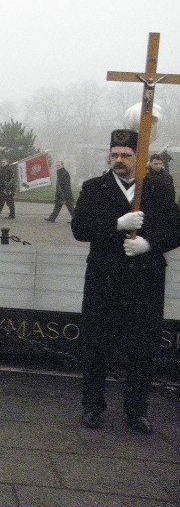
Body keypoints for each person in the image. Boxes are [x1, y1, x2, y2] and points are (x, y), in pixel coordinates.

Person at [71, 129, 180, 434]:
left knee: (142, 349)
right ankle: (93, 406)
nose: (119, 160)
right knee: (96, 348)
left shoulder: (157, 189)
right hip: (104, 280)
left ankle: (137, 411)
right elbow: (80, 228)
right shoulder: (95, 187)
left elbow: (175, 229)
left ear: (138, 157)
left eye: (126, 155)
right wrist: (116, 224)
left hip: (144, 282)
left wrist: (149, 244)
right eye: (114, 154)